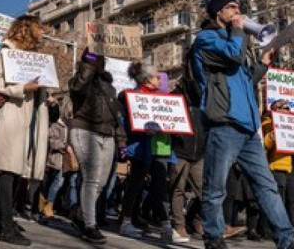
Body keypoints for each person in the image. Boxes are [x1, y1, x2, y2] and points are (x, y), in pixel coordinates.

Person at [192, 0, 294, 249]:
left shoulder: (235, 41)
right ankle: (213, 237)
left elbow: (245, 82)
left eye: (238, 7)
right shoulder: (206, 39)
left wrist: (261, 64)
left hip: (248, 129)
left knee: (266, 186)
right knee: (216, 187)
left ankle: (286, 239)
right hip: (224, 124)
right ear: (218, 13)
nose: (238, 11)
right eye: (231, 7)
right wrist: (239, 31)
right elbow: (232, 56)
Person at [0, 14, 52, 246]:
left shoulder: (34, 56)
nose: (43, 32)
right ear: (27, 29)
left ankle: (5, 219)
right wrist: (21, 88)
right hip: (13, 114)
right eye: (40, 28)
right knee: (8, 169)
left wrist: (46, 95)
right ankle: (5, 225)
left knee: (18, 172)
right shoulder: (8, 50)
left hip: (31, 115)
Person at [67, 49, 126, 244]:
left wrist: (122, 142)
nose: (99, 61)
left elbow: (116, 116)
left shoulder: (110, 87)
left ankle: (80, 214)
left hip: (107, 135)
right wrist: (88, 65)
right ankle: (89, 225)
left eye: (100, 58)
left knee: (100, 183)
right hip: (85, 130)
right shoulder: (80, 79)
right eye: (95, 57)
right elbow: (77, 88)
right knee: (91, 179)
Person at [118, 62, 175, 242]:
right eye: (156, 77)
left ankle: (166, 226)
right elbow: (128, 123)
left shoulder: (159, 98)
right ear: (147, 79)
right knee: (135, 184)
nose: (160, 79)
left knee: (159, 186)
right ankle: (126, 222)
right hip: (140, 146)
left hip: (158, 147)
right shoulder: (134, 97)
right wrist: (142, 130)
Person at [263, 100, 294, 245]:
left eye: (288, 107)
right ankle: (277, 234)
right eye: (283, 108)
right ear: (274, 109)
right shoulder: (267, 122)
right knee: (279, 201)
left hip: (291, 167)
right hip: (276, 166)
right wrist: (272, 136)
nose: (286, 110)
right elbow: (264, 144)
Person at [169, 49, 207, 243]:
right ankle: (179, 225)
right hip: (180, 150)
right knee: (178, 189)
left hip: (199, 151)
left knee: (206, 191)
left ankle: (195, 218)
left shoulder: (205, 96)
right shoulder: (175, 96)